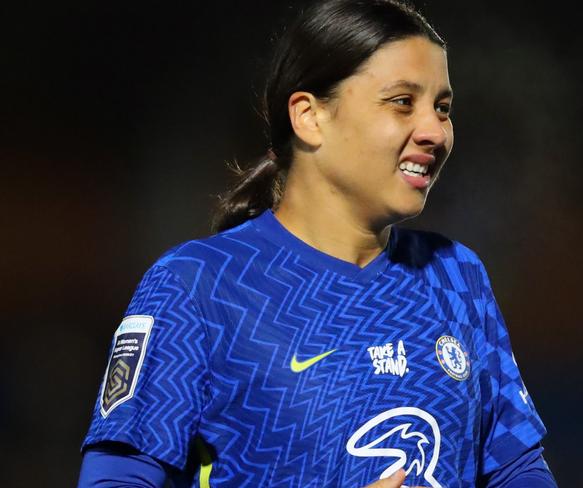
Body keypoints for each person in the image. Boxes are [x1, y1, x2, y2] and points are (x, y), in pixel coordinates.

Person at [78, 0, 558, 486]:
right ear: (309, 117)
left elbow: (516, 468)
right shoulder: (199, 287)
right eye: (402, 102)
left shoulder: (456, 275)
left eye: (442, 108)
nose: (435, 131)